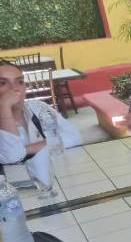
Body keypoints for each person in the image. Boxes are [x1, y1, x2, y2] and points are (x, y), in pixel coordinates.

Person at [0, 60, 82, 198]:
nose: (14, 89)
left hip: (55, 187)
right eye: (2, 83)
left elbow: (74, 137)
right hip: (13, 201)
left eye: (20, 82)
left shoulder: (38, 108)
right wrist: (4, 108)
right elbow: (13, 155)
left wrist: (31, 148)